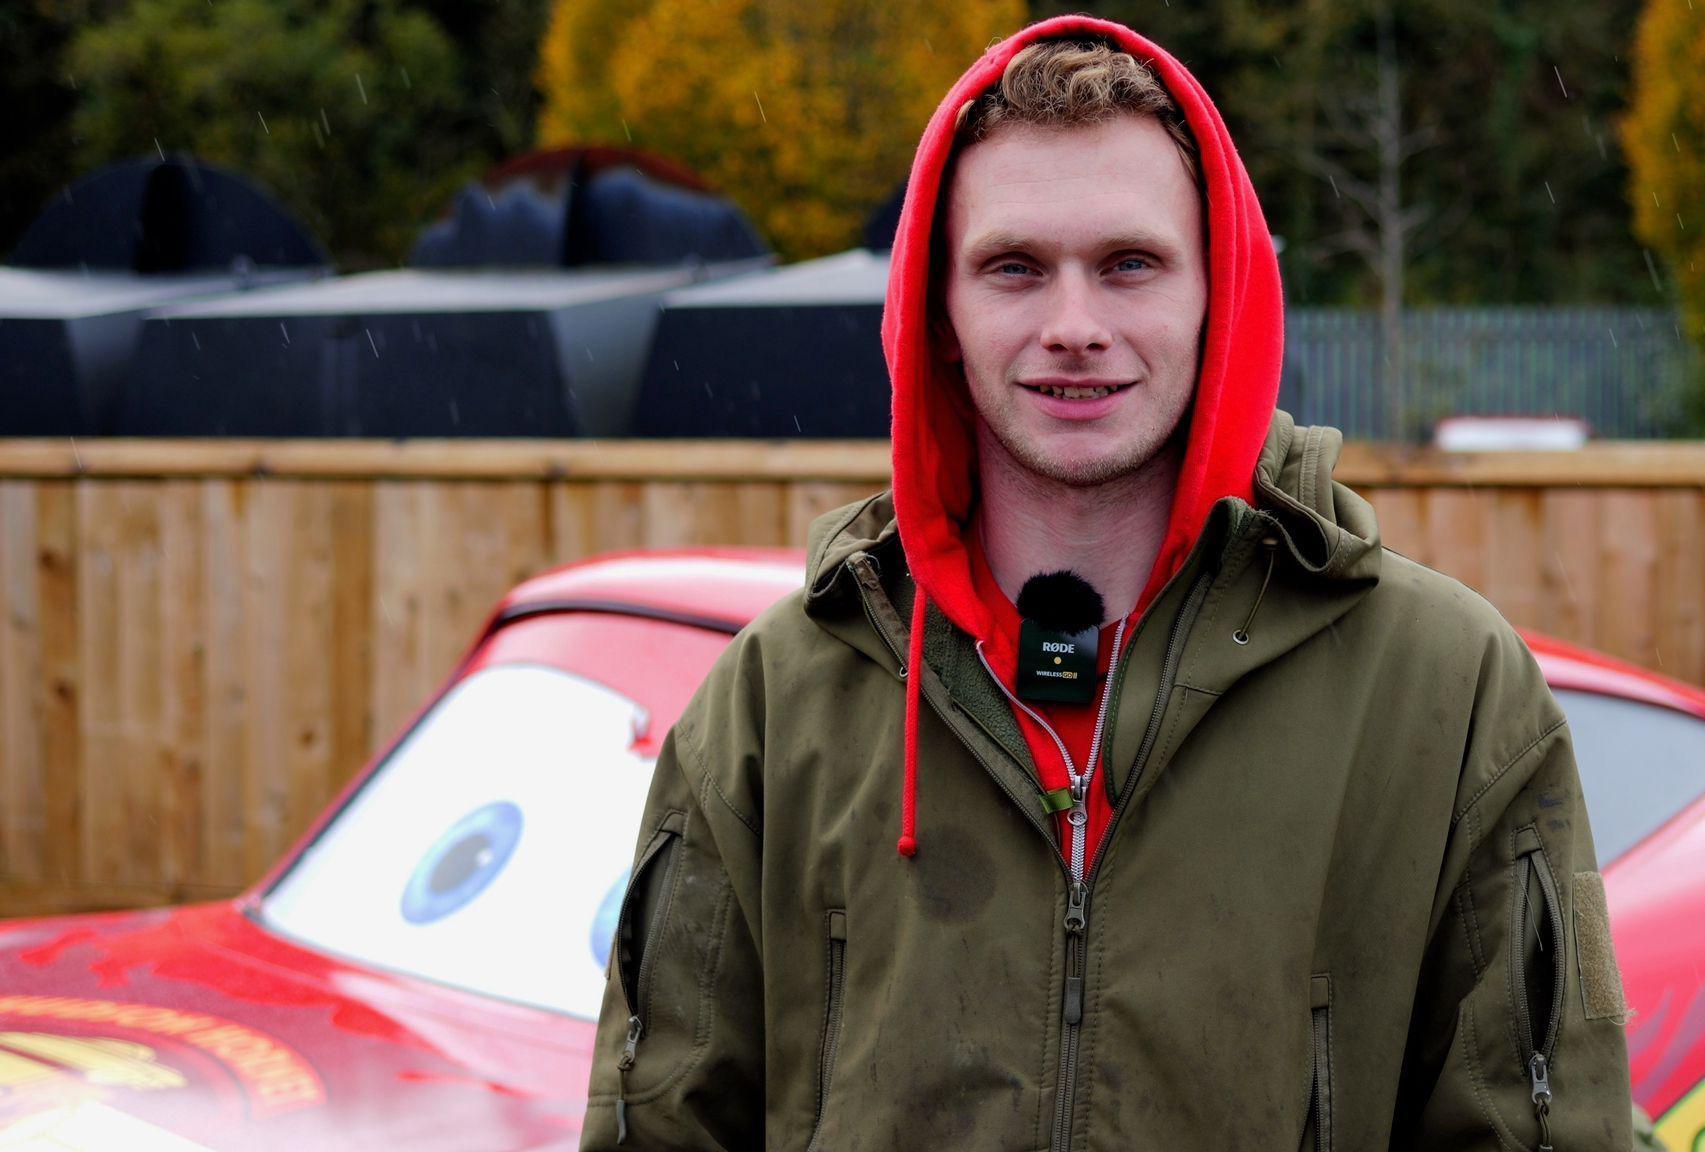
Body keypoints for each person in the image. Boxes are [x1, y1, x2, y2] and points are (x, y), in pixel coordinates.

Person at [582, 15, 1635, 1151]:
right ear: (939, 311)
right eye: (1013, 269)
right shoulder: (773, 705)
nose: (1072, 327)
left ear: (1214, 292)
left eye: (1128, 265)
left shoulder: (1448, 692)